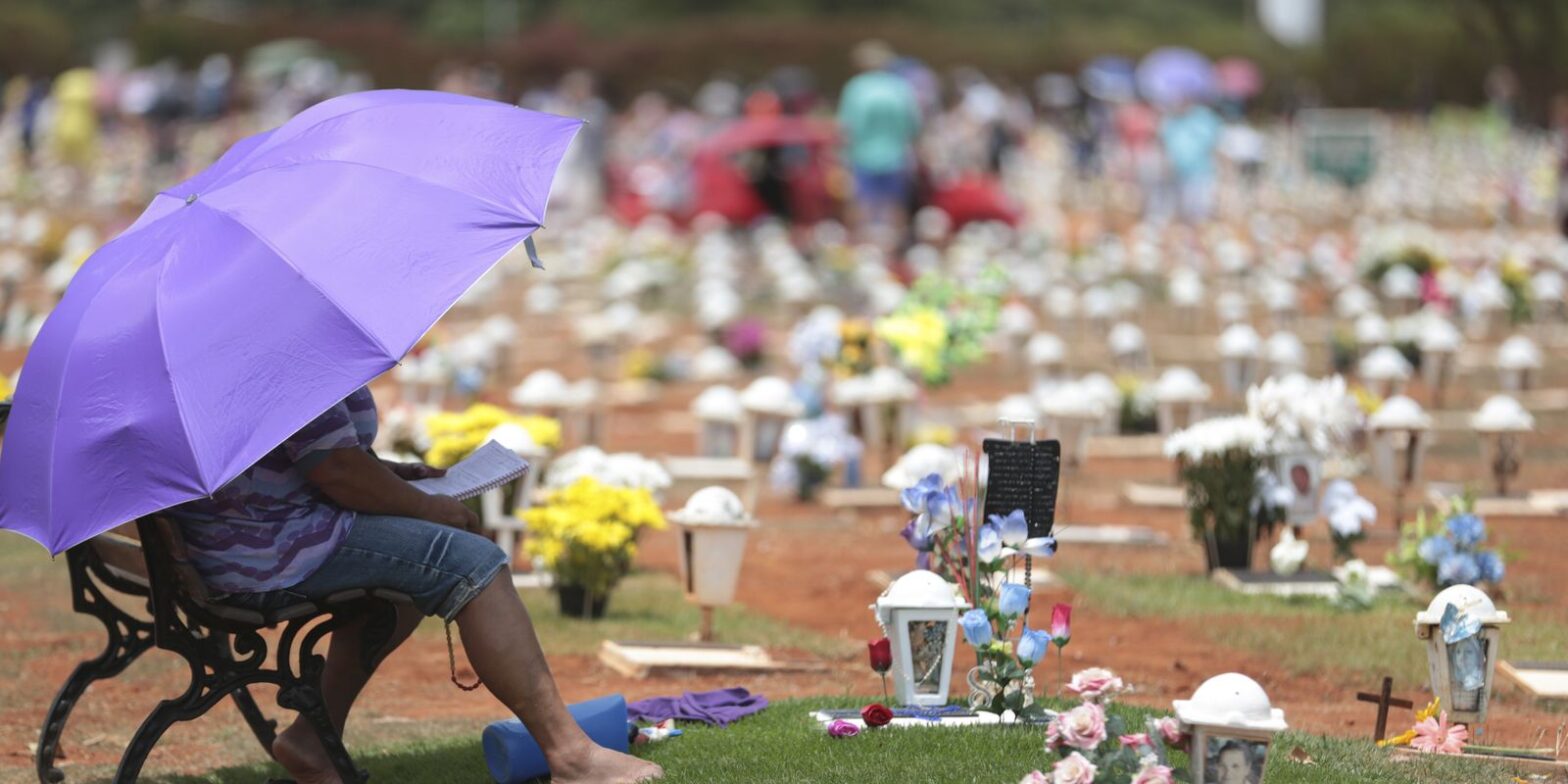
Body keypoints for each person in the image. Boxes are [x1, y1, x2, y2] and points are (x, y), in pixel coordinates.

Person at [169, 387, 661, 784]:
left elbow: (306, 456)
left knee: (408, 577)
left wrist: (391, 475)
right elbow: (336, 470)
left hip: (240, 539)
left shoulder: (244, 340)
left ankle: (312, 740)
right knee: (473, 561)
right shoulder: (282, 347)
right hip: (268, 547)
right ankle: (573, 758)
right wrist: (427, 506)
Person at [837, 40, 920, 241]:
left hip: (862, 155)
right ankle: (896, 248)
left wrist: (842, 155)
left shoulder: (856, 87)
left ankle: (863, 249)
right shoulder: (900, 87)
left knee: (862, 203)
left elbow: (846, 127)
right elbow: (914, 124)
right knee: (895, 204)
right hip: (896, 155)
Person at [1159, 99, 1223, 225]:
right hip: (1177, 174)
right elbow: (1164, 145)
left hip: (1201, 173)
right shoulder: (1170, 121)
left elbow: (1214, 145)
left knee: (1200, 213)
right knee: (1180, 214)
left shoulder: (1204, 118)